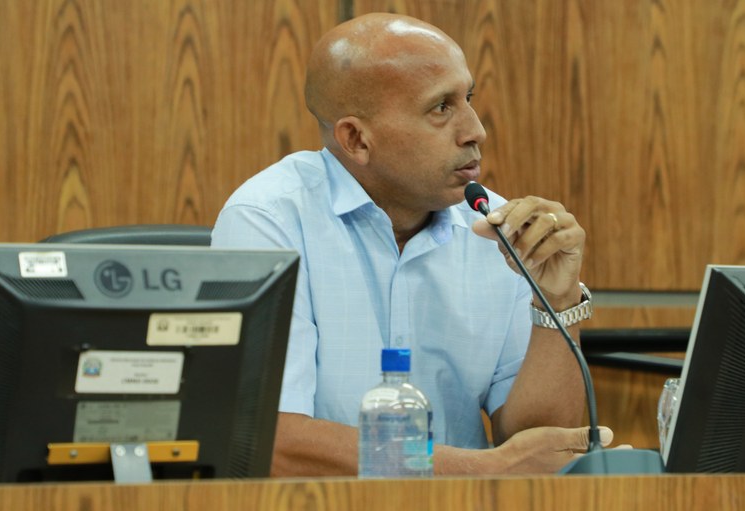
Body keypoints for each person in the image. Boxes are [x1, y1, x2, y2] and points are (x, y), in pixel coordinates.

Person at [212, 12, 611, 476]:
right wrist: (477, 471)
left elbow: (538, 448)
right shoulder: (268, 221)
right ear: (356, 139)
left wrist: (557, 303)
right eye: (441, 107)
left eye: (467, 98)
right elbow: (267, 440)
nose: (476, 130)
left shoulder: (498, 228)